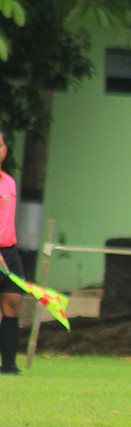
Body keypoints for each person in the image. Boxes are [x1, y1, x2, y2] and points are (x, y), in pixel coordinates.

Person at [0, 128, 25, 376]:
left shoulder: (9, 181)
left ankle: (8, 365)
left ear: (5, 150)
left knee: (13, 304)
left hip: (9, 251)